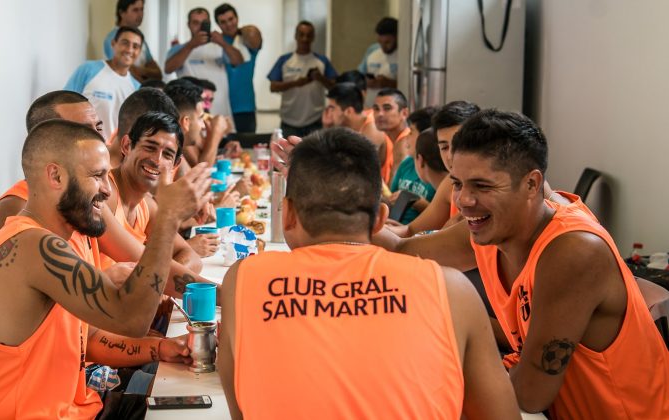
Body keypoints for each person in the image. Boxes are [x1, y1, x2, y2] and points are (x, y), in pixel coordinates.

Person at [375, 110, 669, 417]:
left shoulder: (573, 251)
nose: (464, 201)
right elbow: (402, 249)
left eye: (482, 186)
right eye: (458, 184)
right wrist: (345, 215)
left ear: (531, 184)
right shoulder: (490, 228)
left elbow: (530, 394)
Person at [218, 127, 521, 419]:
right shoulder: (450, 289)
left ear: (289, 213)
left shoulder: (243, 281)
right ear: (380, 219)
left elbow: (244, 410)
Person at [0, 119, 211, 418]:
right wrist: (168, 219)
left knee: (199, 401)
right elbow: (130, 318)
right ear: (55, 176)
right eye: (97, 176)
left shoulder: (58, 240)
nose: (107, 190)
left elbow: (88, 340)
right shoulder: (32, 245)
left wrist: (160, 349)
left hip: (80, 407)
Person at [0, 91, 105, 260]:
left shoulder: (83, 192)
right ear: (47, 138)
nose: (99, 139)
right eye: (83, 132)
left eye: (99, 128)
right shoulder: (19, 208)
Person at [106, 111, 221, 297]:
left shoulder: (147, 205)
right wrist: (234, 298)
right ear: (127, 146)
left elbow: (191, 257)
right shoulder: (107, 195)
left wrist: (162, 290)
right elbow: (152, 271)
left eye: (167, 154)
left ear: (175, 165)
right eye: (150, 147)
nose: (156, 160)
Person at [386, 100, 480, 237]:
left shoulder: (493, 186)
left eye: (459, 144)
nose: (450, 156)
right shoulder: (449, 183)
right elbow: (410, 230)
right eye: (444, 147)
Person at [164, 7, 243, 118]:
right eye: (195, 23)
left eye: (204, 23)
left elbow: (238, 61)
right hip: (192, 115)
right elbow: (168, 69)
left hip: (220, 113)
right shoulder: (179, 49)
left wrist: (223, 43)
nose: (200, 27)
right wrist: (191, 45)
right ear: (188, 24)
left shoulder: (219, 46)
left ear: (210, 23)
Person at [65, 26, 142, 138]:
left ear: (139, 52)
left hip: (114, 154)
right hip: (81, 146)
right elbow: (64, 104)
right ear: (113, 44)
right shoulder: (88, 69)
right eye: (125, 43)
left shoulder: (137, 88)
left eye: (135, 46)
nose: (129, 50)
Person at [268, 20, 337, 138]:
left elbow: (335, 88)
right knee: (287, 155)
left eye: (309, 35)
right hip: (289, 121)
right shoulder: (284, 60)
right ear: (296, 36)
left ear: (313, 37)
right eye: (301, 35)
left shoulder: (322, 61)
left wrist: (320, 78)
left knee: (315, 156)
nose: (305, 39)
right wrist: (296, 83)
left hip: (315, 121)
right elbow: (273, 87)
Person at [214, 3, 262, 133]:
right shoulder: (214, 43)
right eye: (223, 22)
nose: (228, 24)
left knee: (246, 149)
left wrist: (241, 31)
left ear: (237, 18)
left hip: (244, 106)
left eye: (231, 19)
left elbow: (254, 35)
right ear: (218, 25)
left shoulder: (247, 39)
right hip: (220, 106)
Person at [324, 83, 387, 181]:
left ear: (348, 111)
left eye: (332, 108)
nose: (329, 112)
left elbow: (356, 171)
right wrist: (327, 126)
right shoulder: (350, 125)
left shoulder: (372, 129)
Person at [387, 107, 439, 225]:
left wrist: (416, 201)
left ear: (425, 135)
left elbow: (443, 217)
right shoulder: (407, 163)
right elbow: (391, 198)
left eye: (411, 132)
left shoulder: (438, 170)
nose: (406, 137)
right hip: (396, 226)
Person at [106, 87, 177, 168]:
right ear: (126, 144)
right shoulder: (93, 171)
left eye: (166, 153)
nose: (158, 161)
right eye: (151, 147)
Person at [103, 0, 162, 82]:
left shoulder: (141, 40)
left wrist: (140, 70)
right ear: (122, 13)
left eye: (142, 9)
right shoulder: (112, 38)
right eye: (135, 10)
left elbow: (158, 74)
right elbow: (123, 70)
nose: (140, 14)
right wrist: (145, 75)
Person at [373, 88, 410, 182]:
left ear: (404, 113)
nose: (380, 114)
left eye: (387, 108)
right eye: (376, 109)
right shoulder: (387, 139)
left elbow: (392, 193)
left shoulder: (405, 144)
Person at [358, 17, 398, 107]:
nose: (383, 47)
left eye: (387, 42)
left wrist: (389, 83)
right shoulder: (372, 50)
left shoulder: (404, 54)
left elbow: (412, 85)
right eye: (380, 42)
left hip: (393, 109)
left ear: (397, 37)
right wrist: (366, 82)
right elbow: (358, 76)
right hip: (370, 107)